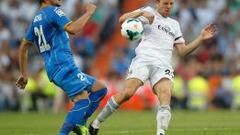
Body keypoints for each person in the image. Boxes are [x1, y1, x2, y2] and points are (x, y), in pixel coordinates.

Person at [89, 0, 216, 135]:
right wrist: (141, 13)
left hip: (163, 65)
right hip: (143, 60)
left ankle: (160, 133)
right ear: (158, 3)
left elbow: (183, 51)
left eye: (171, 4)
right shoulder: (148, 11)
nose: (168, 6)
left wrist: (201, 38)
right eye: (165, 3)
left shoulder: (174, 25)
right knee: (127, 93)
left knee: (165, 94)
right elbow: (122, 20)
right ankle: (96, 123)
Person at [15, 0, 108, 135]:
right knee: (82, 101)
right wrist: (89, 13)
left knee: (100, 89)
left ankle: (80, 123)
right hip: (62, 65)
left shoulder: (36, 18)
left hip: (55, 67)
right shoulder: (53, 11)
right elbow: (73, 29)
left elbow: (24, 46)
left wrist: (24, 74)